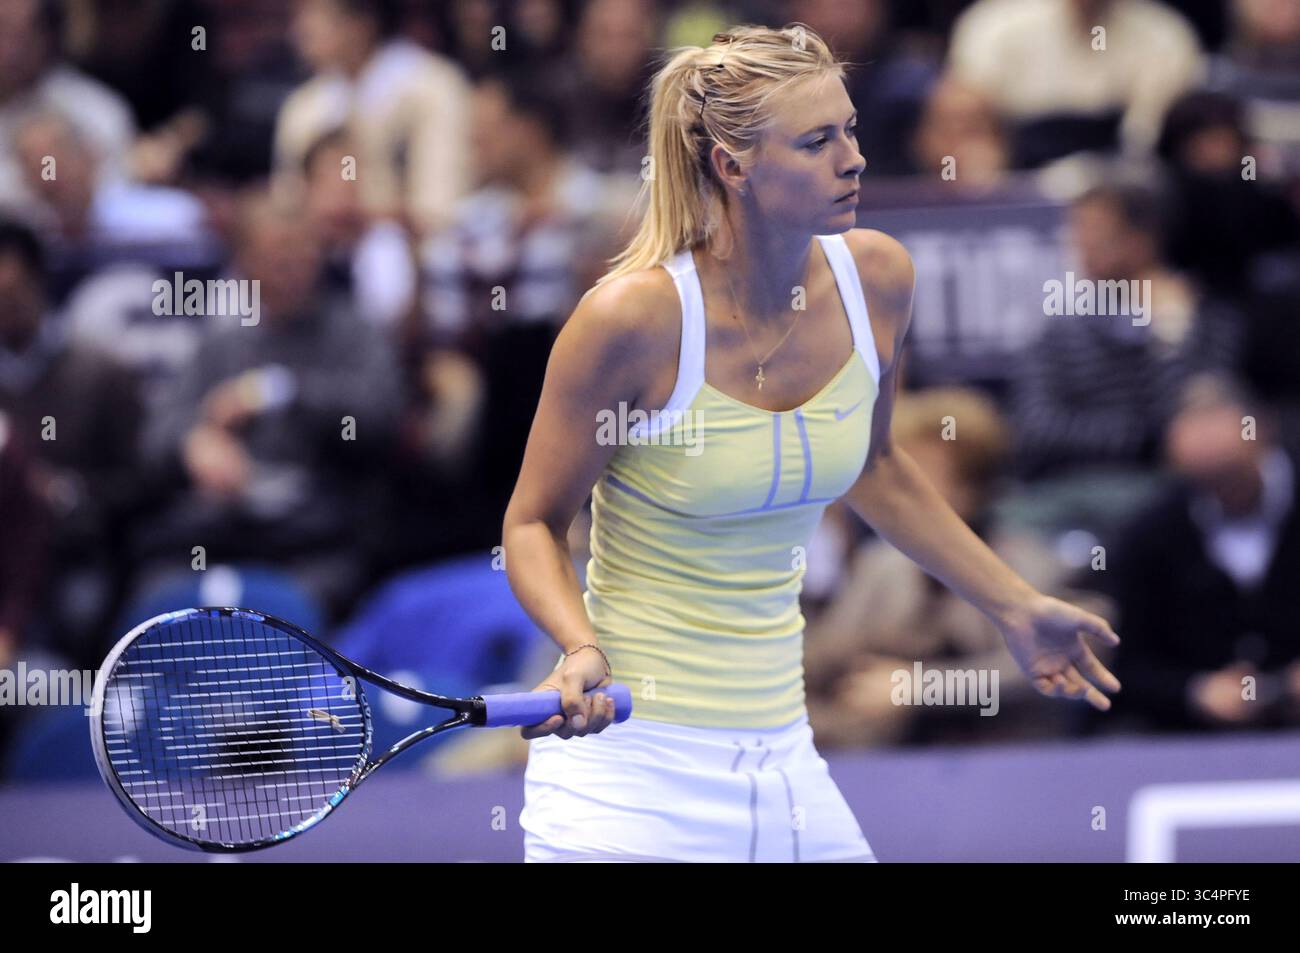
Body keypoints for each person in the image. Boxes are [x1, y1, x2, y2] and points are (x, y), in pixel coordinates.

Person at [501, 24, 1120, 864]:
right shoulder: (630, 320)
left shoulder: (880, 280)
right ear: (732, 166)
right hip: (628, 776)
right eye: (817, 140)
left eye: (851, 129)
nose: (853, 157)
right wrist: (580, 646)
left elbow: (876, 467)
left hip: (787, 762)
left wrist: (1013, 604)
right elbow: (533, 521)